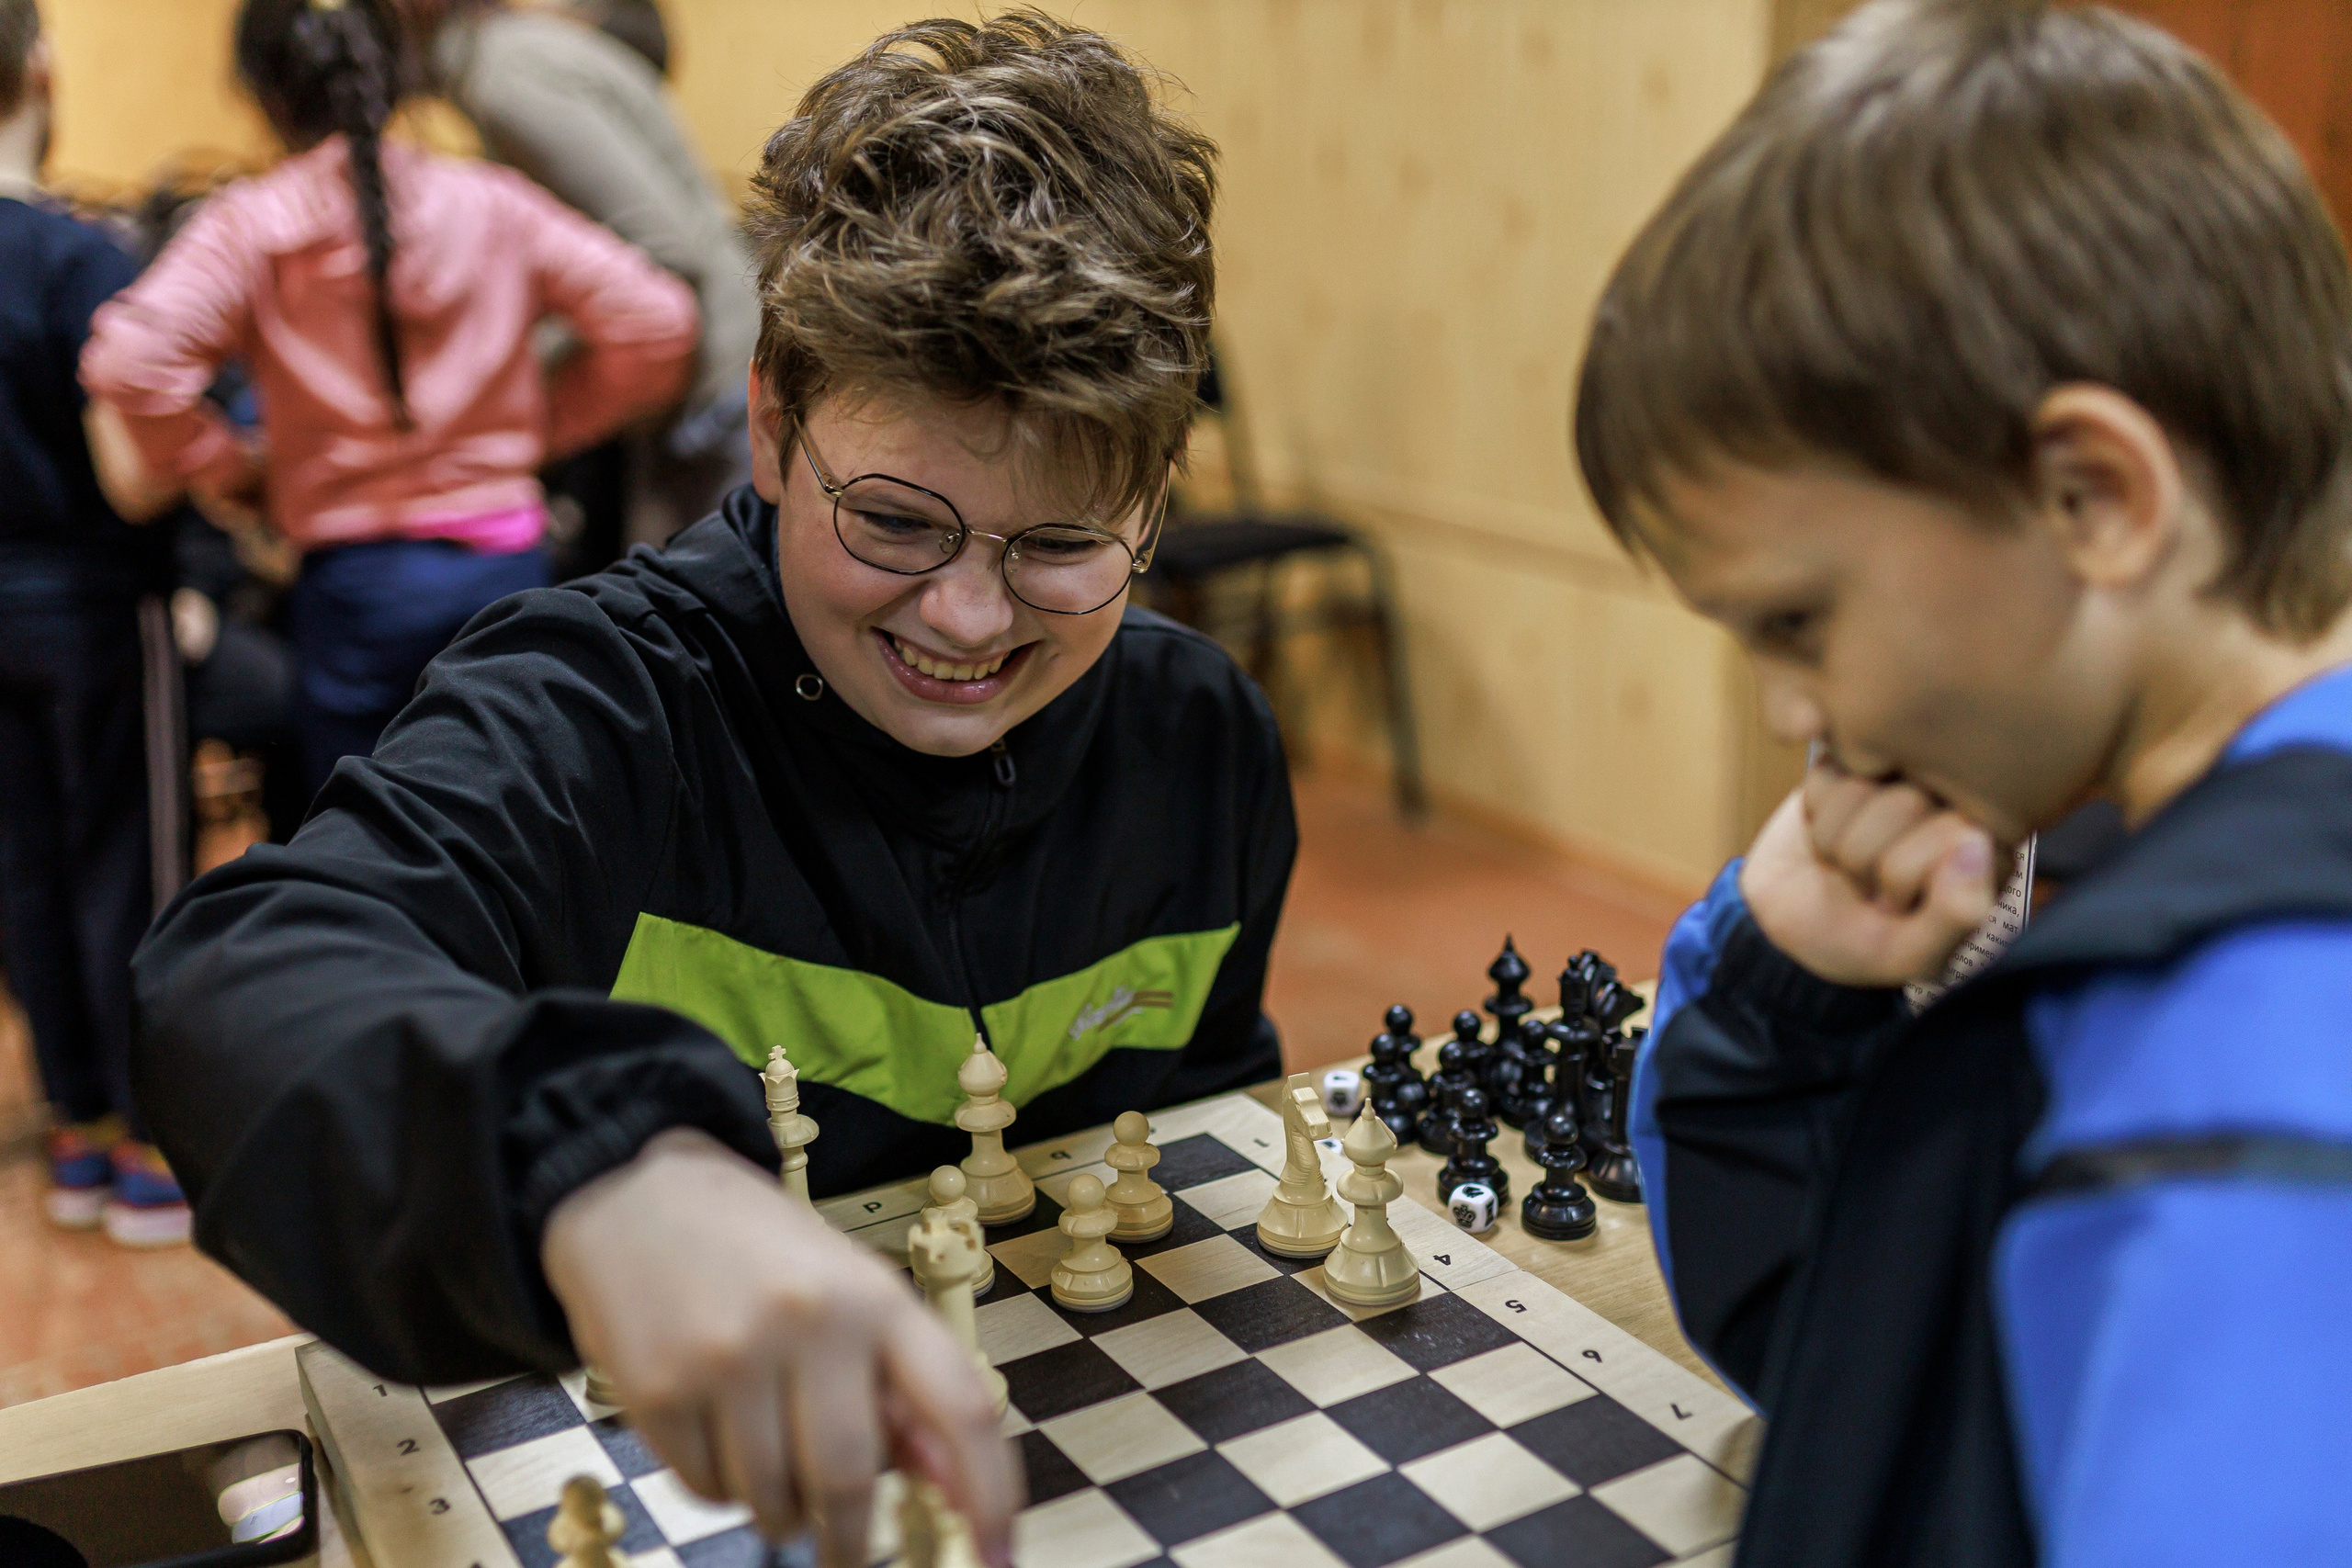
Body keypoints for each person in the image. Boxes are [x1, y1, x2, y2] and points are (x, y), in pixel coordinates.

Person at [135, 16, 1283, 1567]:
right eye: (893, 521)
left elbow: (1207, 1150)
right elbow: (232, 984)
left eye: (1063, 543)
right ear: (768, 423)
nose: (967, 616)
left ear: (1156, 501)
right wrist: (594, 1168)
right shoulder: (599, 706)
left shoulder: (1200, 743)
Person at [1572, 2, 2352, 1563]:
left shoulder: (2247, 1065)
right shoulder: (2155, 890)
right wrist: (1780, 1008)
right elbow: (1892, 1388)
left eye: (1798, 620)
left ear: (2094, 495)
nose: (1793, 709)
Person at [82, 0, 697, 798]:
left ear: (263, 95)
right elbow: (661, 323)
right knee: (517, 815)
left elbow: (131, 362)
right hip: (507, 568)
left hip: (353, 590)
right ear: (398, 77)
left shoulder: (256, 223)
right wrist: (532, 429)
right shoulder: (490, 202)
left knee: (364, 832)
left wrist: (231, 471)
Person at [0, 0, 193, 1247]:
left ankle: (72, 1124)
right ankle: (148, 1137)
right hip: (89, 602)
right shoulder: (78, 259)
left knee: (20, 855)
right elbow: (135, 469)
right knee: (134, 852)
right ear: (44, 74)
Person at [410, 0, 761, 548]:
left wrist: (506, 381)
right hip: (700, 388)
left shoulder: (505, 74)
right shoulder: (506, 62)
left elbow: (666, 260)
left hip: (715, 395)